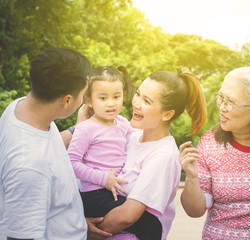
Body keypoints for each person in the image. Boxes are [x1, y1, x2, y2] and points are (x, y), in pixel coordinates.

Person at [65, 68, 207, 240]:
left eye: (146, 101)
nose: (136, 103)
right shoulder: (130, 135)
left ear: (167, 114)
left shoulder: (163, 156)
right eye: (138, 94)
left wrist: (84, 230)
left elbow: (126, 216)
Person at [0, 47, 103, 239]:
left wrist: (77, 129)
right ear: (66, 100)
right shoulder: (29, 166)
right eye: (82, 94)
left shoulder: (21, 107)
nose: (83, 100)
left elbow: (47, 146)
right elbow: (20, 236)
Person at [179, 67, 250, 239]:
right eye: (221, 98)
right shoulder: (209, 144)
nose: (222, 107)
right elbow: (194, 211)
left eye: (230, 102)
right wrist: (192, 178)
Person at [68, 66, 163, 240]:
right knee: (151, 226)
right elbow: (71, 163)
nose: (111, 103)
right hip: (94, 195)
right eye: (103, 98)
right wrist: (103, 178)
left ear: (123, 97)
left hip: (115, 193)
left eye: (116, 97)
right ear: (89, 100)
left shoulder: (122, 123)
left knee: (147, 221)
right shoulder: (85, 129)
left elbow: (139, 139)